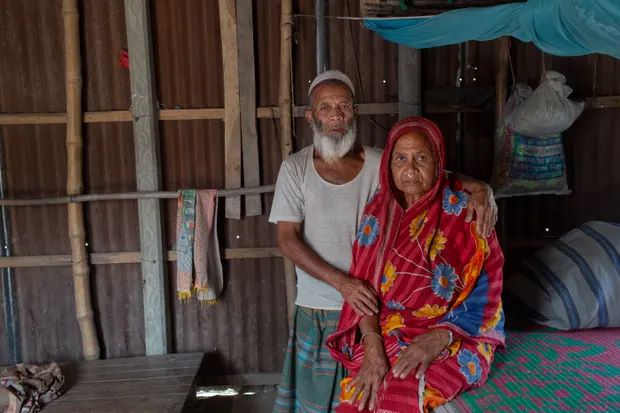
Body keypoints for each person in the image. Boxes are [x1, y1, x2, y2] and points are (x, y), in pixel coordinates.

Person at [269, 70, 498, 413]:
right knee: (316, 400)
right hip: (323, 303)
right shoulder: (295, 169)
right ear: (310, 116)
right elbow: (287, 240)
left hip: (379, 307)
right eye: (325, 107)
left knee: (367, 395)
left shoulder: (382, 161)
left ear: (355, 112)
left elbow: (430, 173)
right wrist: (344, 284)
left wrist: (480, 187)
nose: (335, 115)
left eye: (343, 106)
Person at [326, 116, 505, 413]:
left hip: (456, 334)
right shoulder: (377, 213)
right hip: (385, 332)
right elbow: (361, 291)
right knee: (357, 400)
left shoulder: (468, 211)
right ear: (389, 165)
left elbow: (489, 293)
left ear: (439, 164)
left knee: (402, 393)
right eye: (401, 159)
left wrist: (442, 336)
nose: (410, 169)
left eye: (421, 158)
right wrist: (371, 344)